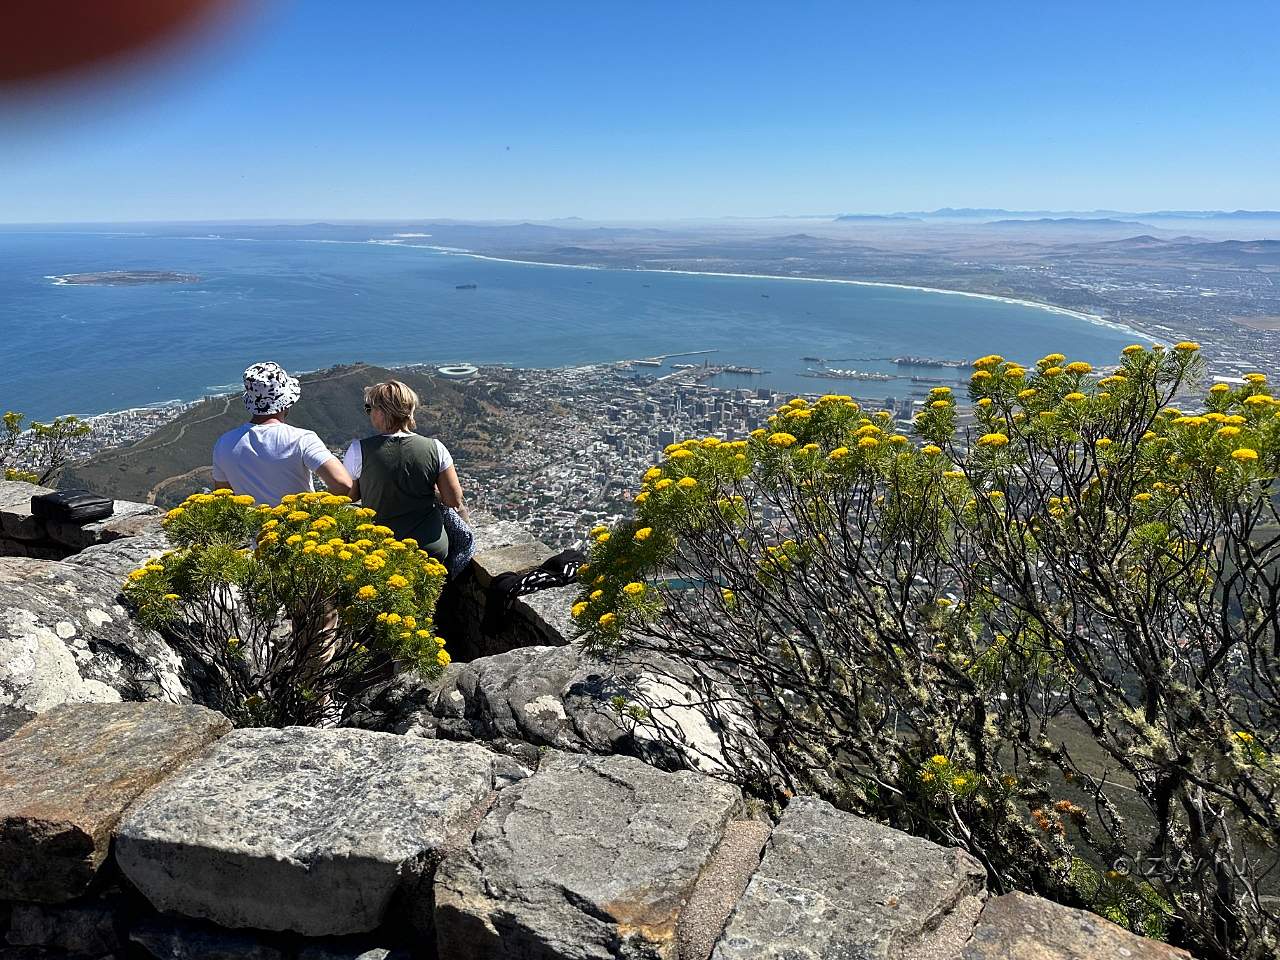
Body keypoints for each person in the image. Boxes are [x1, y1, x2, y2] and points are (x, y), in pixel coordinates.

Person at [344, 380, 463, 562]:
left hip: (381, 549)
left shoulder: (358, 450)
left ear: (381, 412)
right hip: (430, 548)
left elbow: (350, 496)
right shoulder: (436, 448)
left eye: (370, 409)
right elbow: (453, 499)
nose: (369, 414)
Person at [212, 361, 353, 505]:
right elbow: (344, 484)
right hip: (300, 525)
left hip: (251, 527)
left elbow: (223, 499)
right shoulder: (302, 439)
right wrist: (317, 507)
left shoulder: (224, 443)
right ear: (286, 402)